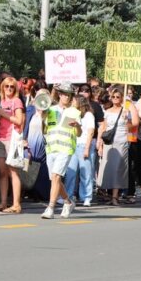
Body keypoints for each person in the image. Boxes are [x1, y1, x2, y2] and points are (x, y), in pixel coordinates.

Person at [42, 84, 82, 219]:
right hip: (51, 148)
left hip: (65, 148)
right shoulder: (50, 110)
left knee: (56, 176)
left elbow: (79, 133)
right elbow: (45, 129)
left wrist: (77, 126)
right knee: (54, 179)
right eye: (64, 94)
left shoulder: (74, 112)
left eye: (68, 94)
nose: (66, 96)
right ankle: (68, 202)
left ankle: (50, 207)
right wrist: (42, 114)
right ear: (59, 94)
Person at [97, 86, 138, 206]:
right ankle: (109, 195)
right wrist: (100, 144)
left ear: (121, 98)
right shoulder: (107, 111)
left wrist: (127, 123)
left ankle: (115, 196)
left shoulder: (126, 110)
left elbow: (135, 123)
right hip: (109, 143)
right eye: (113, 97)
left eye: (118, 97)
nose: (115, 98)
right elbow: (103, 128)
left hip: (121, 142)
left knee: (118, 169)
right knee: (108, 168)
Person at [0, 76, 26, 214]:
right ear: (2, 87)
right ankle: (4, 202)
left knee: (13, 172)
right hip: (0, 138)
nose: (9, 89)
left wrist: (2, 114)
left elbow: (19, 120)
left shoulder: (16, 101)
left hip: (12, 139)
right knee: (2, 172)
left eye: (12, 87)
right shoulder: (0, 101)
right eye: (6, 86)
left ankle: (16, 204)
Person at [63, 95, 98, 210]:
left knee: (85, 173)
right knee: (71, 172)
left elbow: (90, 132)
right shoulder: (72, 114)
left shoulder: (88, 115)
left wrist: (87, 148)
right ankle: (69, 195)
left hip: (84, 145)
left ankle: (86, 197)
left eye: (73, 100)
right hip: (72, 145)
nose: (72, 102)